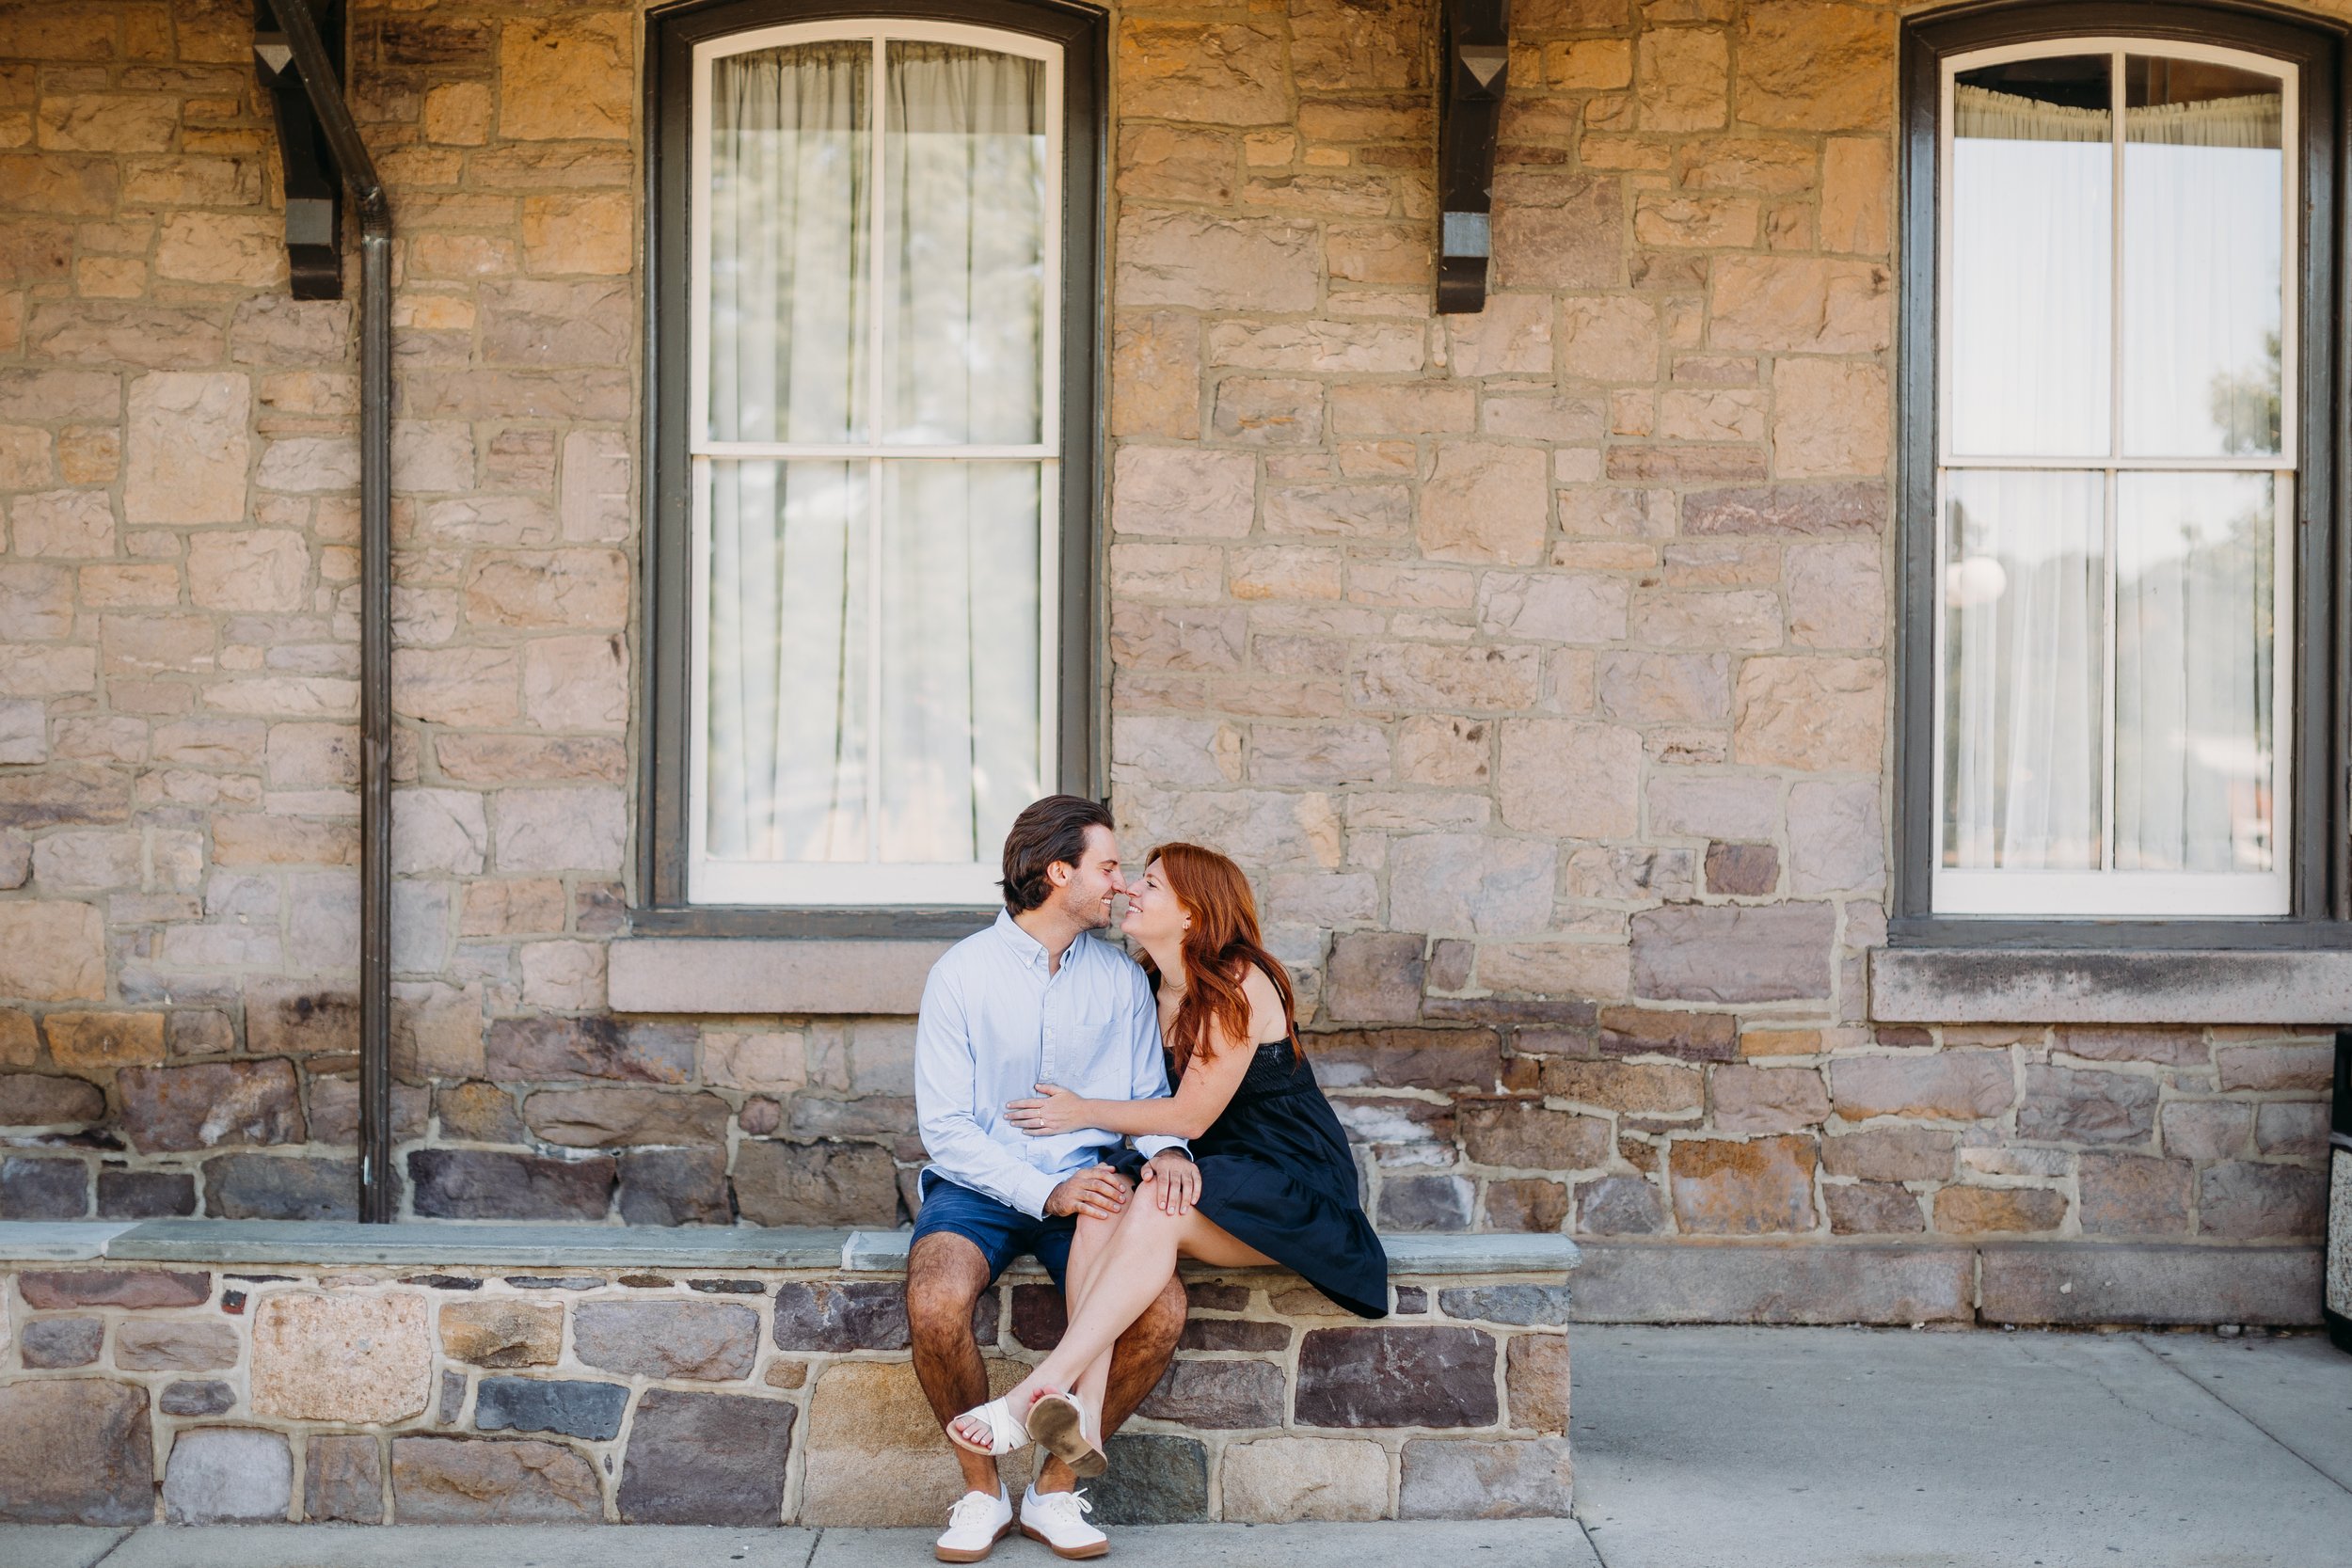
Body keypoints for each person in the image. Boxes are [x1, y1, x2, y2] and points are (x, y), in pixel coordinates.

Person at [952, 842, 1388, 1482]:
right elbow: (1166, 1123)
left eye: (1150, 884)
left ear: (1191, 913)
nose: (1130, 888)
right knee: (1103, 1201)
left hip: (1293, 1188)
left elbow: (1187, 1116)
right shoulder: (1148, 986)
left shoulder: (1239, 981)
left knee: (1154, 1199)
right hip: (1211, 1178)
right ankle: (1087, 1418)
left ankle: (1035, 1391)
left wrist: (1081, 1111)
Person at [908, 794, 1194, 1563]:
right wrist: (1040, 1191)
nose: (1122, 883)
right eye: (1107, 866)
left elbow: (1146, 1098)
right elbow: (945, 1128)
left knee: (1159, 1312)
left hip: (1094, 1186)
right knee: (935, 1300)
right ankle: (981, 1491)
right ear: (1057, 871)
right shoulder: (960, 974)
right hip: (981, 1186)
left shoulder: (1121, 980)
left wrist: (1170, 1149)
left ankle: (1055, 1489)